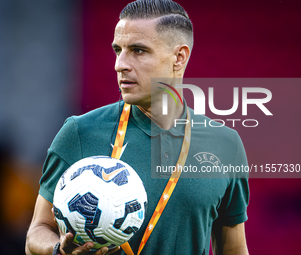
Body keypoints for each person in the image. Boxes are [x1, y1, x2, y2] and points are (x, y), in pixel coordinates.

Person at [25, 0, 249, 254]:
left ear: (179, 57)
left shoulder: (225, 144)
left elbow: (233, 246)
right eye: (118, 50)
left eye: (138, 50)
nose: (120, 64)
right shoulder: (79, 132)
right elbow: (38, 229)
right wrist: (57, 249)